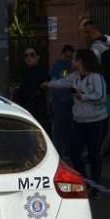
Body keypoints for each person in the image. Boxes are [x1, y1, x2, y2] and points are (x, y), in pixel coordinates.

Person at [44, 49, 108, 196]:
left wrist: (83, 97)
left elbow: (101, 97)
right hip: (79, 121)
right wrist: (49, 84)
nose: (71, 62)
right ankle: (84, 181)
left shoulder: (96, 77)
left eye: (74, 59)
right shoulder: (75, 77)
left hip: (96, 122)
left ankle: (95, 188)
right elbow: (62, 83)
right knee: (73, 152)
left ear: (81, 61)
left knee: (94, 154)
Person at [49, 44, 75, 158]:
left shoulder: (72, 66)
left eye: (70, 57)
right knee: (58, 127)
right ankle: (57, 152)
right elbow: (56, 81)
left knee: (68, 127)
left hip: (70, 100)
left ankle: (68, 150)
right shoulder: (57, 66)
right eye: (66, 56)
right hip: (59, 100)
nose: (68, 59)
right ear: (62, 54)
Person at [18, 48, 48, 128]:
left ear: (37, 57)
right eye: (26, 55)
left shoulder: (42, 71)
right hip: (25, 108)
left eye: (32, 55)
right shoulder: (24, 71)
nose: (28, 58)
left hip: (38, 109)